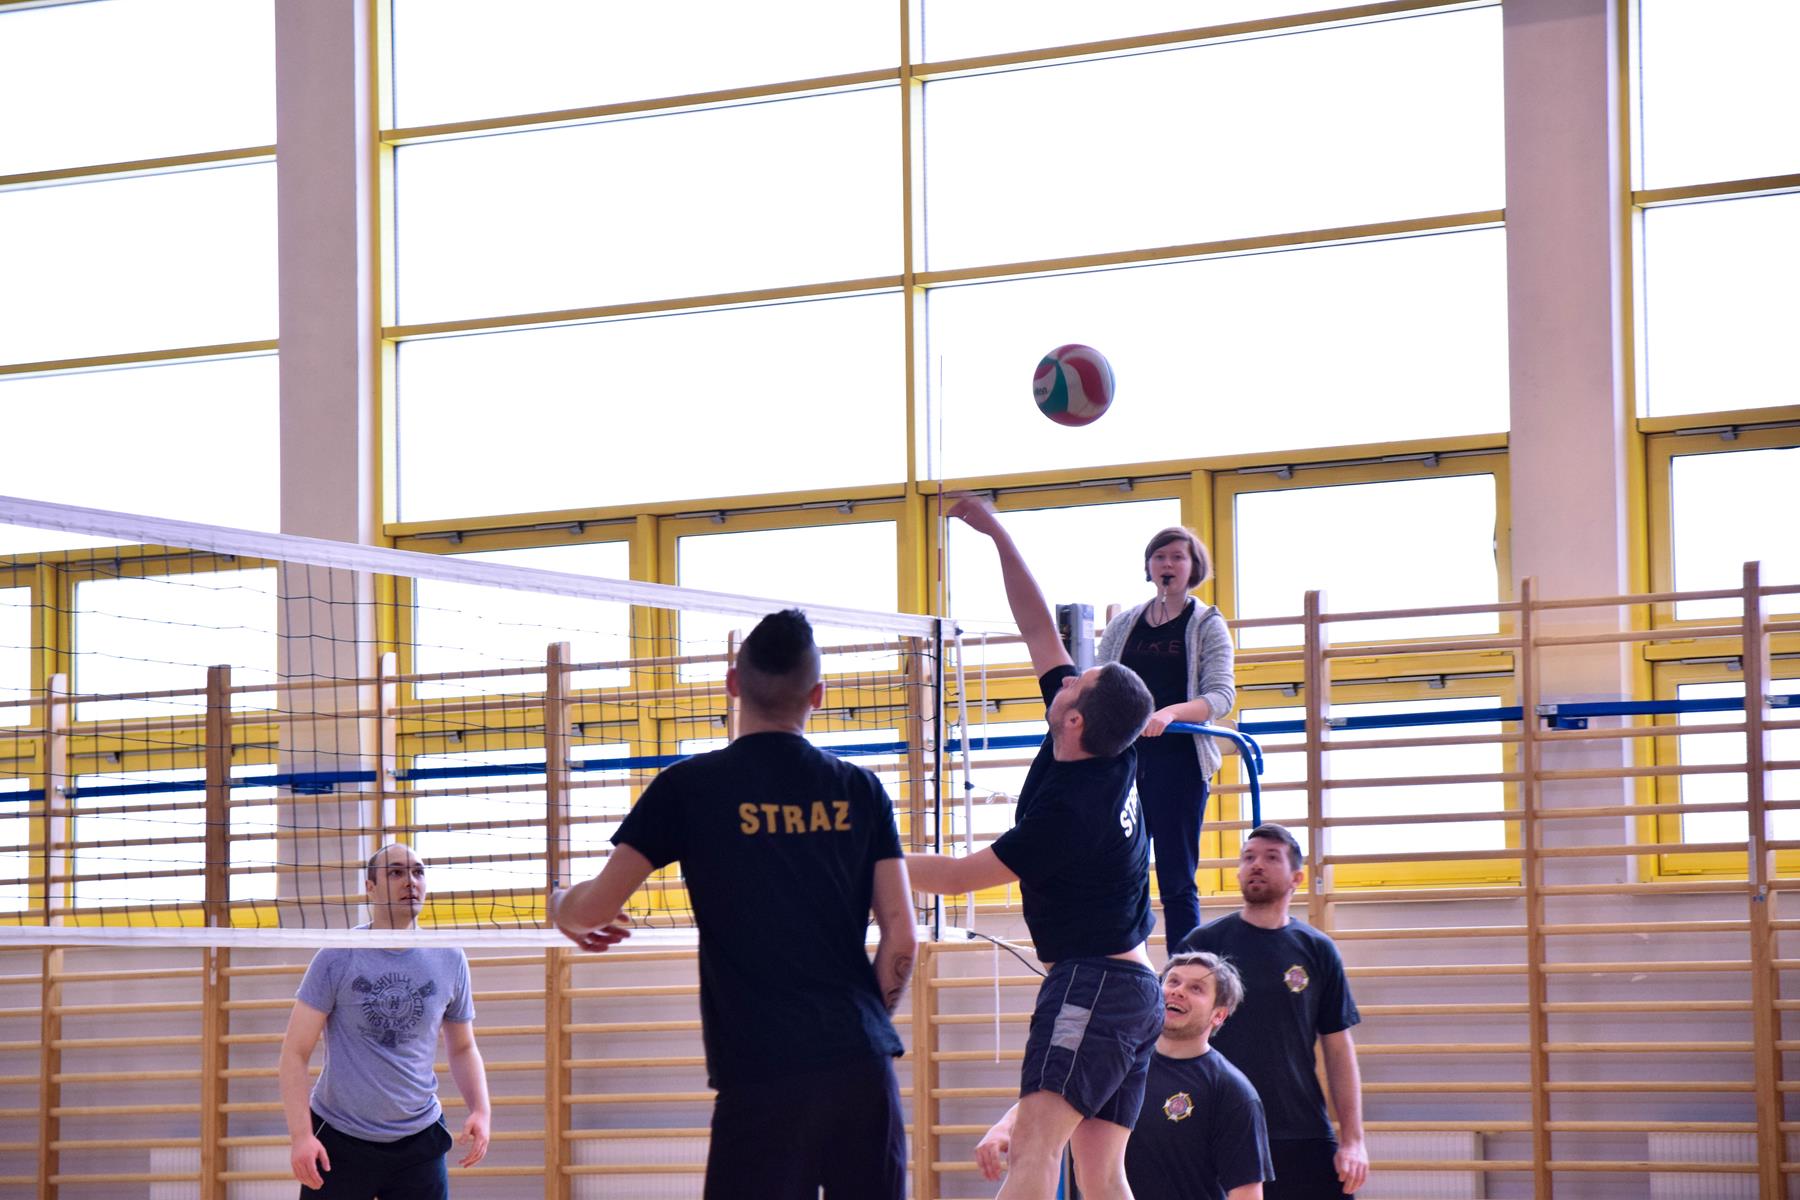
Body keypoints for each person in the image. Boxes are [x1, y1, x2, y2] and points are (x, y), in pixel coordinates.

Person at [548, 608, 917, 1200]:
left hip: (763, 1073)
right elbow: (902, 937)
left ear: (732, 683)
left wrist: (558, 905)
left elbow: (592, 910)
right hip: (860, 1063)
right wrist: (859, 1029)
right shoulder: (860, 789)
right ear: (817, 695)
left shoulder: (688, 788)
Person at [906, 496, 1160, 1200]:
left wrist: (865, 862)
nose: (1067, 676)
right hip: (1132, 989)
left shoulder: (1070, 814)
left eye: (1077, 682)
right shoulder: (1107, 742)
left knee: (1034, 1153)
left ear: (1074, 718)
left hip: (1093, 984)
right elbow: (1037, 628)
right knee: (1102, 1176)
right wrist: (996, 533)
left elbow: (956, 877)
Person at [279, 843, 491, 1199]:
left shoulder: (449, 957)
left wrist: (481, 1110)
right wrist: (301, 1136)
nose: (410, 881)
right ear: (370, 887)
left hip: (419, 1141)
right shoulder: (338, 956)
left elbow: (463, 1047)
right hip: (339, 1139)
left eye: (418, 872)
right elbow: (295, 1052)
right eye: (396, 872)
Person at [976, 951, 1274, 1200]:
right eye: (1173, 981)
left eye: (1196, 988)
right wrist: (1005, 1126)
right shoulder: (1119, 1058)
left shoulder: (1231, 1090)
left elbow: (1247, 1191)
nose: (1177, 991)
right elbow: (1061, 1093)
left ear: (1218, 1015)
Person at [1180, 824, 1369, 1198]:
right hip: (1219, 1127)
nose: (1256, 865)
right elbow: (1169, 1037)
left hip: (1300, 1128)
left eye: (1271, 857)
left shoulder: (1317, 950)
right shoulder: (1205, 945)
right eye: (1248, 857)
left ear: (1297, 878)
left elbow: (1337, 1049)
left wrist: (1353, 1140)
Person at [1097, 526, 1236, 953]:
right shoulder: (1124, 624)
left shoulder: (1207, 624)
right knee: (1121, 872)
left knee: (1177, 880)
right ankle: (1123, 963)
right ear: (1148, 566)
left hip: (1180, 765)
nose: (1168, 565)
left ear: (1194, 567)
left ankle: (1184, 969)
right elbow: (1101, 681)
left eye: (1177, 557)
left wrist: (1169, 713)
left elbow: (1220, 696)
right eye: (1159, 557)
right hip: (1125, 765)